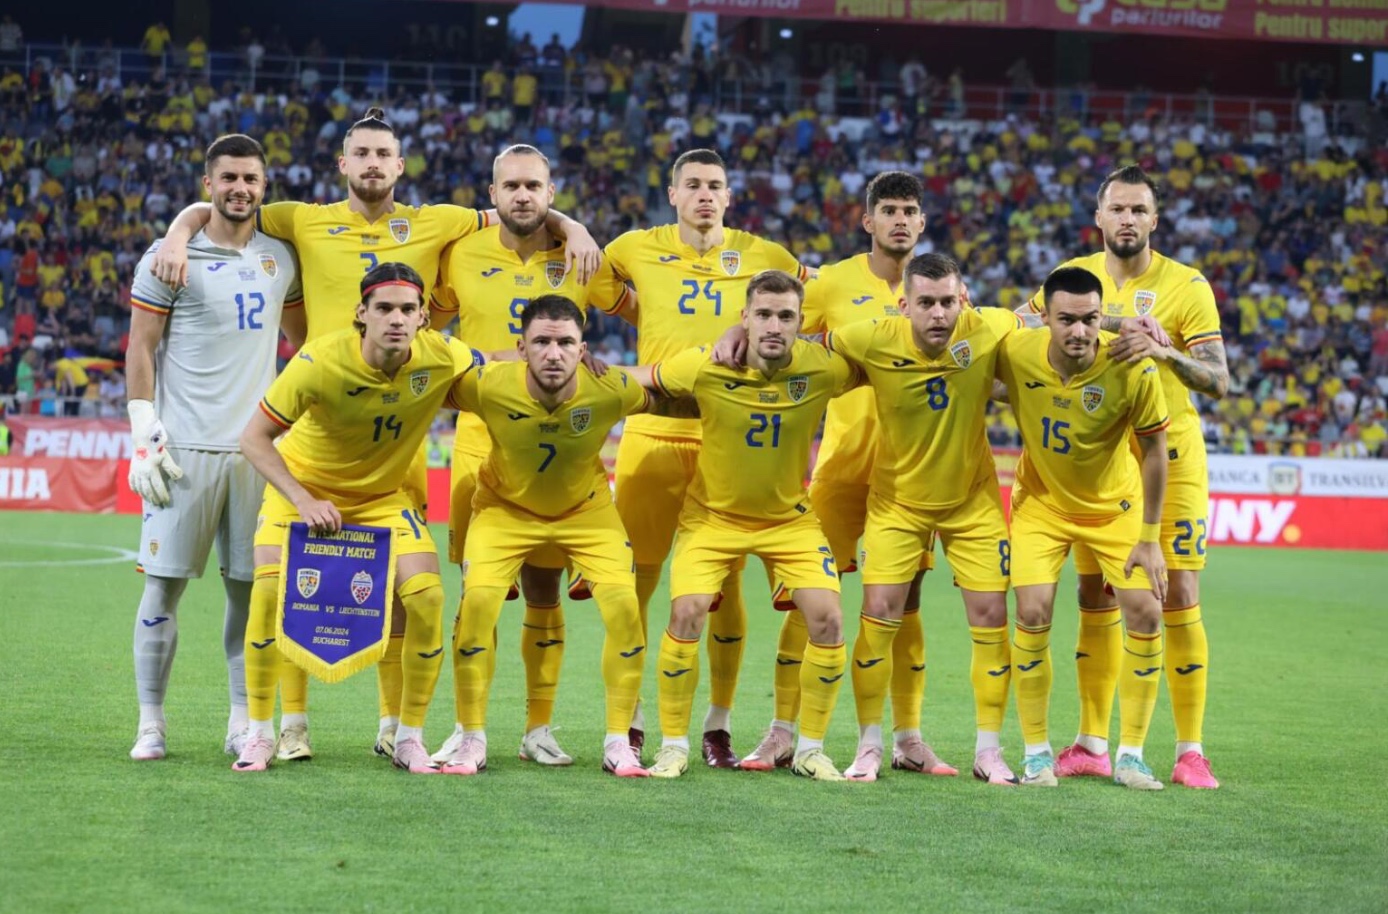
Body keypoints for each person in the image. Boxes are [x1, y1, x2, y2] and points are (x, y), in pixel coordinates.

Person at [151, 108, 601, 762]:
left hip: (398, 438)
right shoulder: (302, 217)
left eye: (382, 154)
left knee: (404, 591)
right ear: (342, 163)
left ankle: (396, 725)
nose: (371, 164)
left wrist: (574, 224)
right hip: (320, 415)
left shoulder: (436, 221)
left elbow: (518, 209)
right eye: (359, 153)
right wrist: (175, 233)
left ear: (399, 165)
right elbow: (226, 201)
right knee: (297, 582)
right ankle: (292, 725)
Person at [588, 148, 810, 766]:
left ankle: (717, 722)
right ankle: (627, 719)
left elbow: (804, 312)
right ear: (672, 195)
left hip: (727, 443)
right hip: (654, 433)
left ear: (731, 196)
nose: (705, 195)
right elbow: (606, 293)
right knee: (636, 581)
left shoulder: (767, 256)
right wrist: (572, 226)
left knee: (724, 586)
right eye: (693, 185)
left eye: (715, 185)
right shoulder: (633, 247)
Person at [732, 172, 949, 777]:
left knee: (906, 603)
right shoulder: (830, 283)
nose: (900, 220)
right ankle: (780, 733)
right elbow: (776, 334)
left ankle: (907, 736)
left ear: (922, 222)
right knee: (808, 601)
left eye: (910, 210)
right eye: (889, 210)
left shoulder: (936, 292)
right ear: (868, 221)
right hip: (840, 470)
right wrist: (733, 327)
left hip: (908, 479)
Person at [1020, 165, 1228, 789]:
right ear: (1100, 217)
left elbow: (1219, 380)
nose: (1129, 220)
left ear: (1154, 220)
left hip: (1172, 456)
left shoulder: (1187, 286)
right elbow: (1022, 325)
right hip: (1098, 458)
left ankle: (1189, 749)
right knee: (1095, 596)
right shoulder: (1074, 280)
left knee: (1178, 595)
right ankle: (1090, 741)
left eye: (1140, 210)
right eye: (1119, 209)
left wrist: (1165, 351)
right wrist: (1112, 324)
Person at [233, 262, 479, 774]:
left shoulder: (442, 356)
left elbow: (498, 371)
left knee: (428, 597)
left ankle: (408, 736)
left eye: (407, 309)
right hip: (301, 492)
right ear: (360, 314)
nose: (396, 319)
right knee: (266, 593)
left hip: (381, 500)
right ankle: (259, 733)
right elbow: (253, 438)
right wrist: (302, 500)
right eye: (384, 308)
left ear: (423, 318)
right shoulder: (318, 360)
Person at [428, 144, 618, 768]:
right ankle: (466, 726)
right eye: (510, 185)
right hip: (483, 435)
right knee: (474, 593)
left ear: (551, 192)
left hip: (559, 440)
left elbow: (650, 313)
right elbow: (428, 325)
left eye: (534, 185)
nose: (522, 195)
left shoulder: (584, 256)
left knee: (544, 587)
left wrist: (578, 229)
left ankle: (539, 729)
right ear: (492, 193)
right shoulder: (459, 251)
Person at [625, 270, 856, 781]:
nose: (775, 325)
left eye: (786, 316)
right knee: (686, 613)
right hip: (711, 518)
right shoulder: (706, 365)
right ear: (745, 318)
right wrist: (580, 368)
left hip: (789, 521)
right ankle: (673, 746)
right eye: (764, 315)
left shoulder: (823, 367)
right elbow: (642, 380)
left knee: (829, 620)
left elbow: (879, 360)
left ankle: (810, 748)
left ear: (802, 323)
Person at [124, 134, 304, 762]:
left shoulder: (282, 258)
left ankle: (243, 721)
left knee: (250, 594)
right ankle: (151, 722)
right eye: (228, 178)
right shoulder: (170, 256)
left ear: (264, 185)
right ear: (208, 184)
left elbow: (304, 344)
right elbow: (140, 347)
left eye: (251, 179)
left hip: (258, 453)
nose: (240, 189)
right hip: (186, 450)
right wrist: (143, 429)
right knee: (163, 590)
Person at [813, 253, 1022, 784]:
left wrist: (1124, 324)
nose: (938, 314)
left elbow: (1053, 318)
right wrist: (735, 335)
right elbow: (809, 346)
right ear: (903, 305)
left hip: (971, 502)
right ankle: (868, 745)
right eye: (925, 303)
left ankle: (989, 750)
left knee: (991, 620)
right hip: (898, 503)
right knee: (879, 614)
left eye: (948, 302)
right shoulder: (872, 336)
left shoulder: (989, 326)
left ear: (963, 299)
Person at [441, 295, 649, 778]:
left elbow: (675, 394)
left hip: (586, 513)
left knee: (624, 608)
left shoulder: (610, 387)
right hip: (503, 509)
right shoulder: (489, 384)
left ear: (584, 348)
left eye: (565, 342)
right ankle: (471, 736)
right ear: (521, 347)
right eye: (541, 342)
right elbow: (423, 376)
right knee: (476, 608)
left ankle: (617, 740)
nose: (553, 353)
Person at [998, 265, 1171, 790]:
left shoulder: (1133, 369)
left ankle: (1133, 755)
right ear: (1044, 318)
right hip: (1042, 505)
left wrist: (1150, 538)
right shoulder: (1014, 351)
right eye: (1067, 319)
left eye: (1091, 319)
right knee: (1032, 610)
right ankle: (1035, 753)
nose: (1079, 331)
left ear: (1103, 318)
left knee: (1145, 612)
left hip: (1114, 508)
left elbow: (1157, 451)